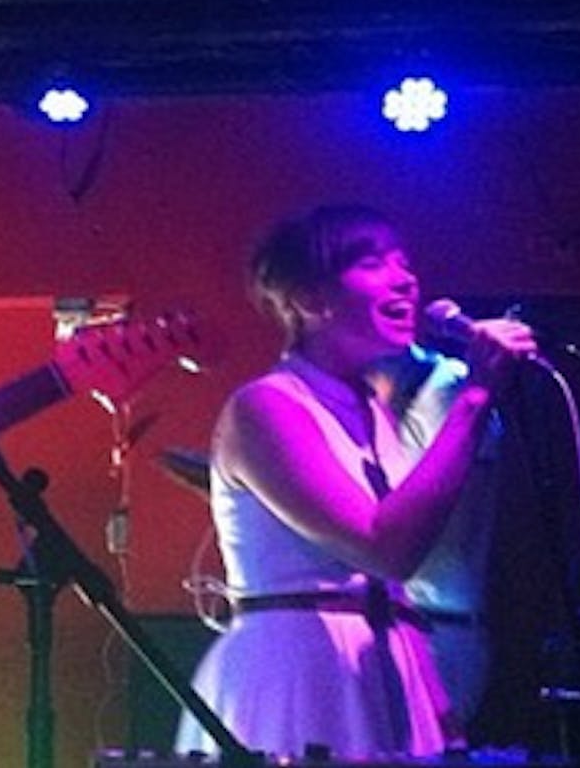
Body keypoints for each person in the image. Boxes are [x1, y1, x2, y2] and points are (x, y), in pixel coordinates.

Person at [175, 204, 537, 760]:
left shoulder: (371, 410)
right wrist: (475, 396)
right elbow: (384, 547)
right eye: (373, 263)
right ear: (308, 299)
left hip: (387, 658)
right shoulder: (267, 408)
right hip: (303, 668)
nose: (405, 278)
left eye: (404, 262)